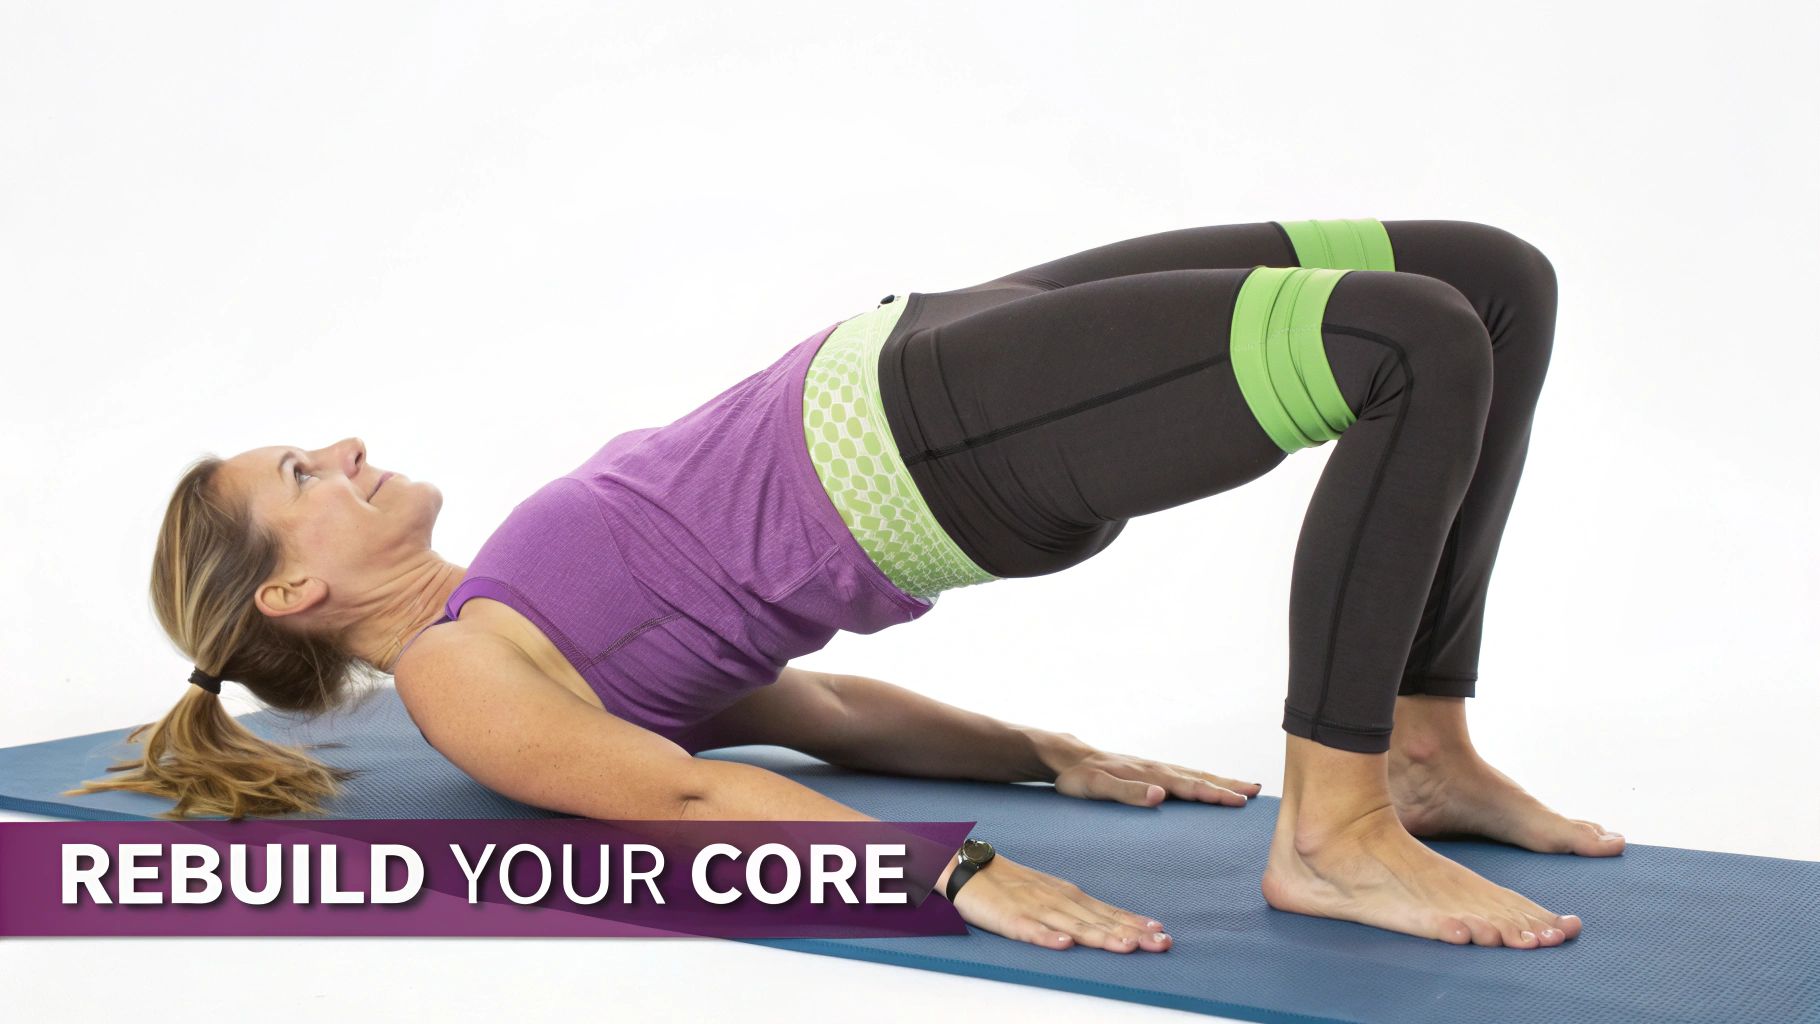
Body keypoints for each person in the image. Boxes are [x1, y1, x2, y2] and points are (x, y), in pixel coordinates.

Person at [72, 218, 1617, 954]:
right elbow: (688, 801)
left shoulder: (501, 617)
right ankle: (1337, 830)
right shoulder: (456, 677)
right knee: (1408, 343)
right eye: (299, 474)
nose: (342, 449)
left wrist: (1037, 755)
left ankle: (1426, 749)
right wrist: (945, 869)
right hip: (922, 438)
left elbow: (819, 713)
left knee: (1490, 283)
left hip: (910, 353)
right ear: (288, 596)